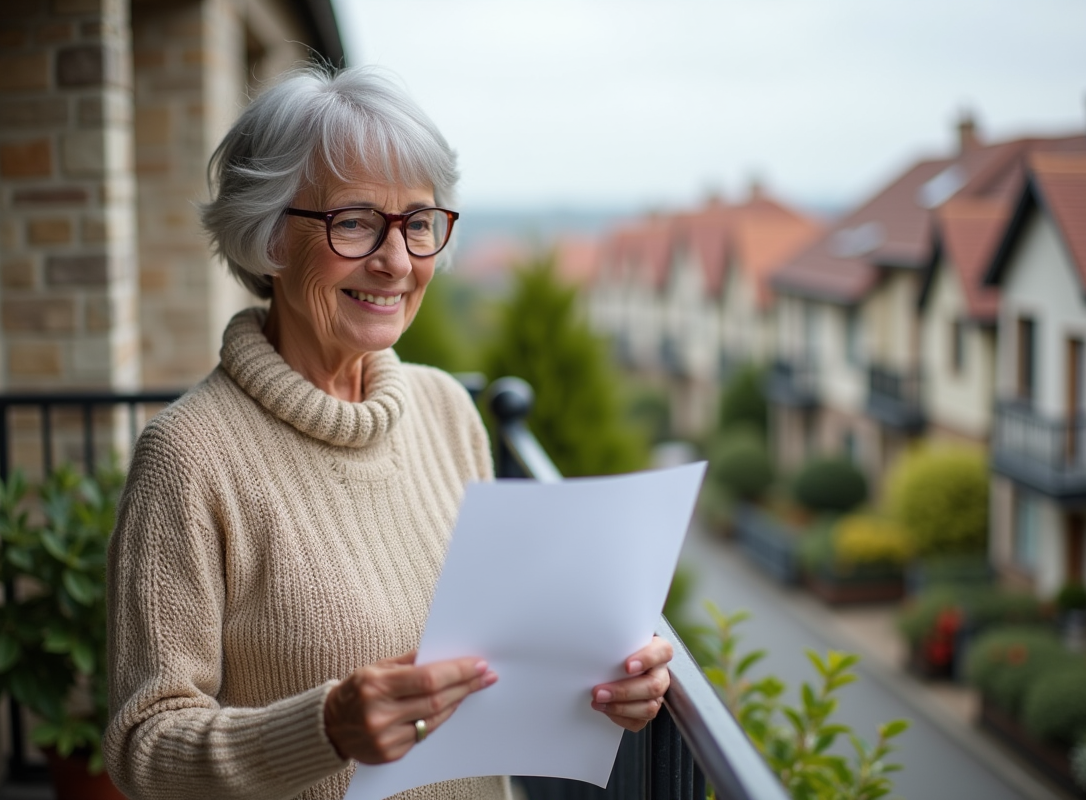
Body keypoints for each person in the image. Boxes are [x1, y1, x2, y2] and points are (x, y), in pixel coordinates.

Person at [104, 66, 672, 800]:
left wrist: (608, 679)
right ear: (270, 235)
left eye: (419, 222)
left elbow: (501, 659)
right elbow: (143, 746)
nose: (398, 260)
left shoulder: (445, 411)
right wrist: (326, 729)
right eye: (355, 221)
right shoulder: (188, 458)